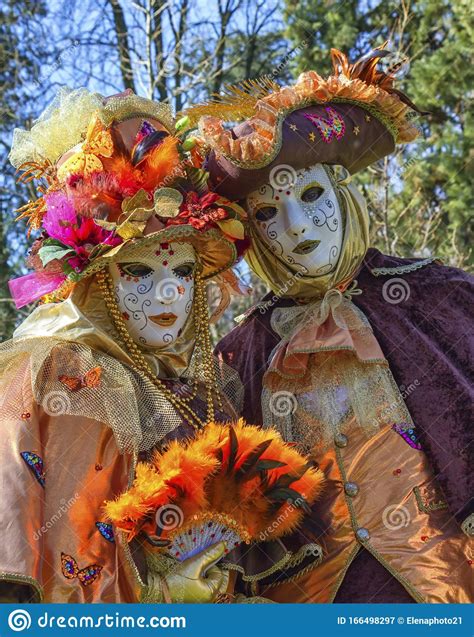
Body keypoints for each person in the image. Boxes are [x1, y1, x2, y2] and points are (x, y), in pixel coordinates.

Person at [193, 46, 473, 603]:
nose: (297, 226)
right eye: (268, 213)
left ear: (345, 194)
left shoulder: (439, 298)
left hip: (442, 588)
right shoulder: (236, 357)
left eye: (312, 194)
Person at [0, 88, 248, 602]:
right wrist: (160, 592)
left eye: (182, 271)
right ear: (96, 281)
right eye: (137, 271)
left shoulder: (203, 388)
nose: (166, 293)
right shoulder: (54, 371)